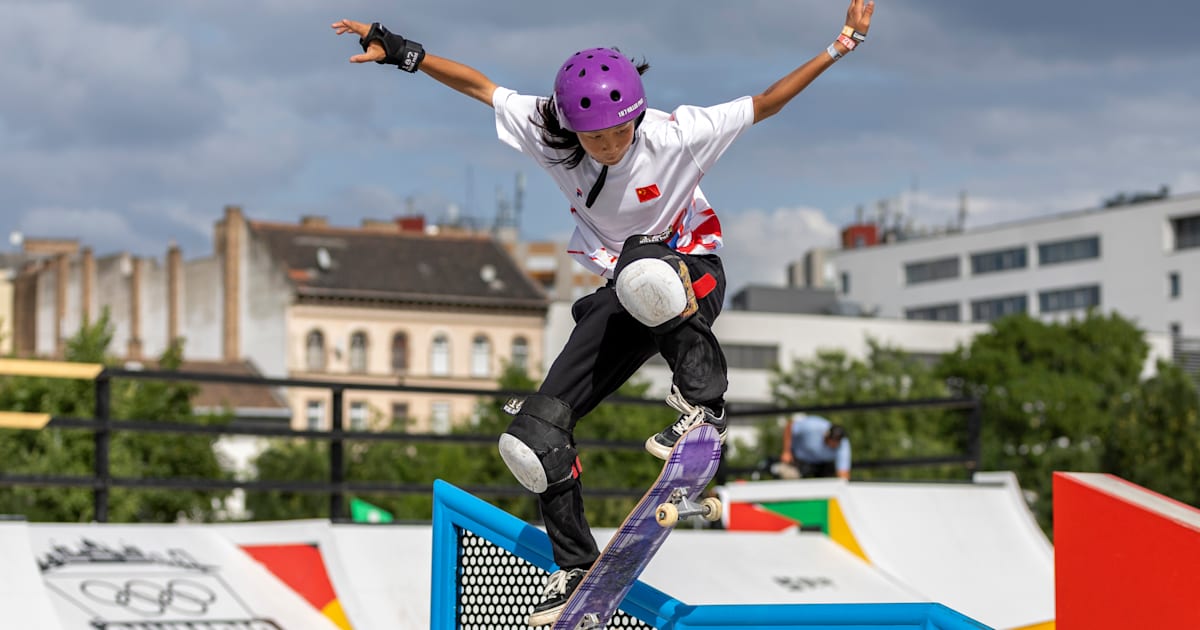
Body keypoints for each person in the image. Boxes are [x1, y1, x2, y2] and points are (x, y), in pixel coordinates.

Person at [333, 2, 874, 625]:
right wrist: (404, 51)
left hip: (692, 278)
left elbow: (767, 100)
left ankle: (705, 405)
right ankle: (576, 565)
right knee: (532, 439)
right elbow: (480, 87)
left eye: (620, 132)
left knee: (646, 264)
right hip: (623, 298)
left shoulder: (678, 134)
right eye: (596, 137)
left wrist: (841, 45)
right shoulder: (546, 129)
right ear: (570, 126)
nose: (611, 146)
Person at [780, 413, 852, 480]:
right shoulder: (812, 426)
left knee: (830, 481)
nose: (835, 444)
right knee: (790, 476)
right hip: (798, 458)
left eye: (837, 441)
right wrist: (786, 451)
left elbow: (843, 472)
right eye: (833, 440)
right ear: (826, 435)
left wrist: (841, 489)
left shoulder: (843, 445)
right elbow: (790, 427)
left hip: (822, 465)